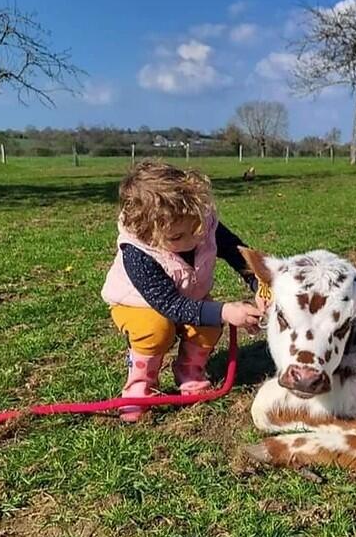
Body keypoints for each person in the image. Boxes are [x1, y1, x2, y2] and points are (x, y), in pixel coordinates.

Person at [101, 161, 264, 421]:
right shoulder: (138, 252)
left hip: (188, 298)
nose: (193, 239)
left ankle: (190, 372)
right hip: (139, 304)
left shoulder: (202, 224)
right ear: (146, 232)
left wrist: (258, 282)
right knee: (155, 328)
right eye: (177, 237)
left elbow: (235, 250)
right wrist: (224, 310)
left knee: (209, 325)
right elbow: (170, 305)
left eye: (196, 228)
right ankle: (139, 386)